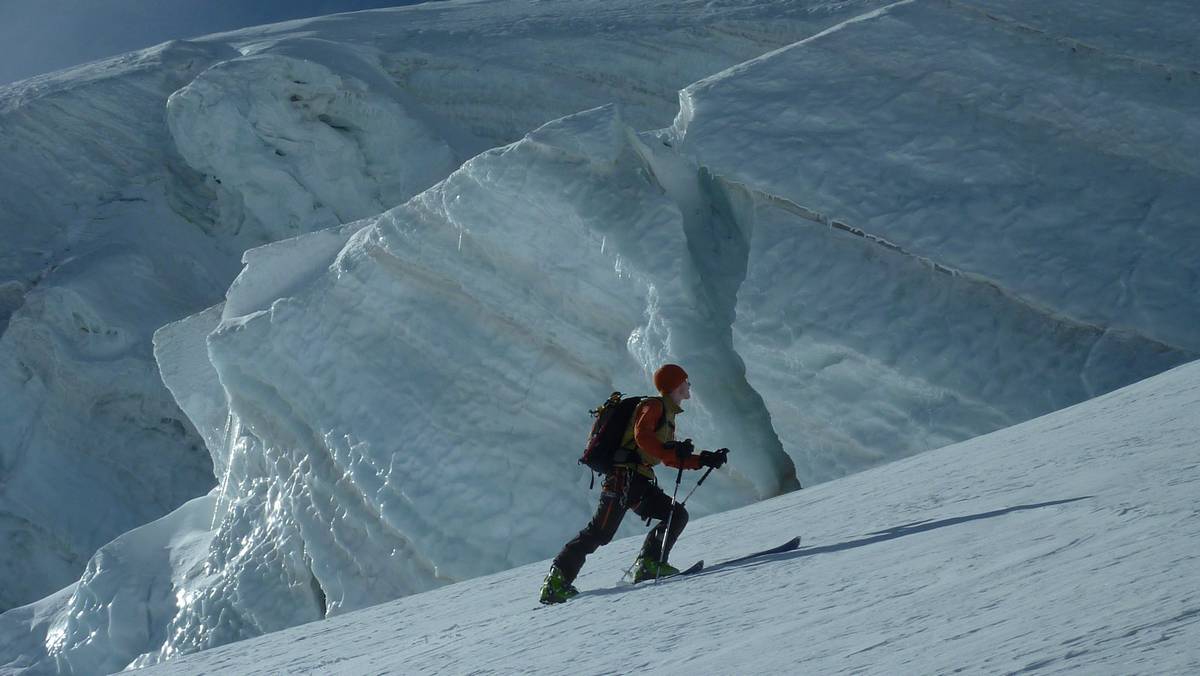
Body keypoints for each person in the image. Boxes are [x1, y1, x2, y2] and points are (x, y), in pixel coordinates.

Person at [539, 364, 728, 604]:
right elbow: (642, 436)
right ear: (675, 386)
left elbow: (666, 456)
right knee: (600, 532)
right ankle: (555, 582)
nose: (689, 386)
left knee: (676, 515)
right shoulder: (654, 406)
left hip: (639, 479)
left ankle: (649, 563)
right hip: (622, 478)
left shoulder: (667, 413)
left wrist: (702, 459)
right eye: (685, 381)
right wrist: (670, 449)